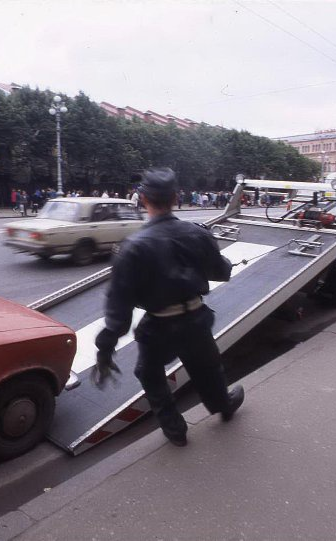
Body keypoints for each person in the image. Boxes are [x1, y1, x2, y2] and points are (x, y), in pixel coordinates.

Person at [93, 167, 244, 447]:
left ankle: (175, 429)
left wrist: (105, 348)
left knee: (149, 374)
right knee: (208, 369)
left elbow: (119, 308)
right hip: (196, 319)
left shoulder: (132, 247)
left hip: (158, 328)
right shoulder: (197, 234)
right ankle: (223, 406)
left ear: (142, 198)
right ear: (175, 197)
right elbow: (222, 272)